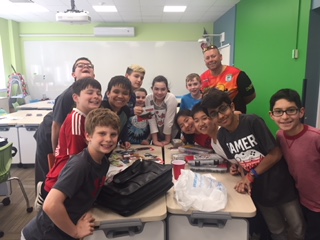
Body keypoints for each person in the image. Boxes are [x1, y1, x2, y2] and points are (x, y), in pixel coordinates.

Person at [202, 88, 305, 240]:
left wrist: (251, 175)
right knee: (277, 231)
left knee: (297, 228)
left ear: (232, 106)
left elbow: (276, 153)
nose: (221, 116)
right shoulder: (222, 136)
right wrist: (242, 176)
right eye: (214, 113)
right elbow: (240, 161)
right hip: (259, 191)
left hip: (281, 186)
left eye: (223, 109)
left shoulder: (252, 121)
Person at [22, 108, 120, 240]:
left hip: (62, 230)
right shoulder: (80, 165)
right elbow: (50, 205)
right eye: (102, 133)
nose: (108, 139)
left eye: (113, 134)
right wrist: (75, 232)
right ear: (88, 136)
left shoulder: (103, 162)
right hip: (44, 235)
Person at [35, 78, 102, 209]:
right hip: (64, 176)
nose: (96, 96)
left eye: (99, 93)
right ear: (76, 97)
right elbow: (76, 160)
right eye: (90, 92)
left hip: (71, 170)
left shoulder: (86, 117)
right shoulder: (76, 120)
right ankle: (45, 190)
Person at [34, 57, 95, 185]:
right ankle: (44, 197)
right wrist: (57, 154)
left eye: (89, 65)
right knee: (48, 170)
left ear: (93, 74)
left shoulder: (92, 92)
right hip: (49, 131)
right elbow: (56, 125)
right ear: (74, 74)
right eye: (80, 65)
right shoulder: (68, 95)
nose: (85, 66)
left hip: (66, 131)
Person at [269, 88, 320, 240]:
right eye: (278, 111)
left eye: (291, 110)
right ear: (271, 115)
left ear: (301, 112)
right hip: (302, 200)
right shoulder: (280, 135)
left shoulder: (315, 138)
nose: (284, 117)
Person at [201, 45, 256, 113]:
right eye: (207, 58)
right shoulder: (202, 78)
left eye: (213, 56)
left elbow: (250, 96)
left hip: (237, 117)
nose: (211, 60)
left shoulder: (237, 74)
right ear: (205, 61)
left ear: (220, 57)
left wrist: (238, 105)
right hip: (215, 120)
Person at [145, 75, 178, 147]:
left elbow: (169, 121)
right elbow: (151, 120)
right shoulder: (148, 98)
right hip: (157, 133)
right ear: (152, 88)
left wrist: (167, 140)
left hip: (171, 133)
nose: (159, 92)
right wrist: (155, 140)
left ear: (167, 89)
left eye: (163, 89)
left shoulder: (171, 98)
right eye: (156, 89)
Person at [101, 75, 132, 149]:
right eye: (116, 92)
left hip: (112, 150)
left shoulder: (126, 111)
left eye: (125, 93)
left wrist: (124, 140)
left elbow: (123, 128)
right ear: (108, 93)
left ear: (129, 97)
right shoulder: (100, 109)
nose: (120, 96)